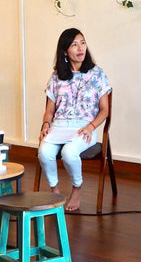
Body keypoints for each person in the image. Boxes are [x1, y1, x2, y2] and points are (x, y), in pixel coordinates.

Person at [38, 28, 111, 211]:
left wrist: (91, 126)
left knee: (69, 153)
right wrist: (46, 125)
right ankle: (55, 192)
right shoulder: (56, 77)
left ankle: (77, 189)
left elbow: (104, 110)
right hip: (59, 126)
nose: (80, 48)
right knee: (44, 152)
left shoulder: (97, 74)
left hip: (84, 128)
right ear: (65, 51)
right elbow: (49, 111)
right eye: (74, 44)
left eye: (83, 43)